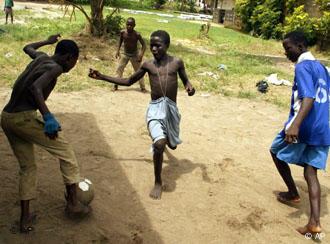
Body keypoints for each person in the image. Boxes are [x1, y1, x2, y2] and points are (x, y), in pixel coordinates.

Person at [89, 30, 195, 199]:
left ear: (167, 46)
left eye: (158, 45)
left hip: (171, 110)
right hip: (155, 109)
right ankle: (158, 182)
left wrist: (189, 87)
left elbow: (185, 80)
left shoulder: (177, 62)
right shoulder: (148, 65)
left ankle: (165, 139)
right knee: (160, 144)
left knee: (172, 144)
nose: (153, 49)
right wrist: (102, 77)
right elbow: (128, 81)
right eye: (151, 45)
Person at [1, 34, 90, 233]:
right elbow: (36, 87)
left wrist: (47, 42)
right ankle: (74, 204)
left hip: (7, 117)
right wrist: (48, 117)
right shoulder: (56, 67)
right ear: (68, 57)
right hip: (23, 118)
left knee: (28, 167)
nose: (73, 65)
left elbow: (27, 47)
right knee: (65, 151)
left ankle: (25, 220)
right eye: (75, 61)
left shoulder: (42, 57)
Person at [270, 31, 330, 236]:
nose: (286, 53)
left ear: (301, 46)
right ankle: (314, 223)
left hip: (304, 125)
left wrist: (295, 125)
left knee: (275, 151)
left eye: (288, 48)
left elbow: (309, 98)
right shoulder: (322, 67)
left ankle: (293, 193)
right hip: (323, 127)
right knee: (310, 172)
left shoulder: (303, 66)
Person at [113, 17, 147, 92]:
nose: (129, 26)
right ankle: (115, 85)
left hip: (134, 55)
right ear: (126, 24)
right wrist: (117, 51)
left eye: (131, 25)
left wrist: (141, 55)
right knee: (119, 69)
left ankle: (143, 87)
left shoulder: (137, 34)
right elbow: (120, 41)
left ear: (134, 25)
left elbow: (144, 45)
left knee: (139, 71)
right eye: (128, 25)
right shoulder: (123, 32)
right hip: (125, 54)